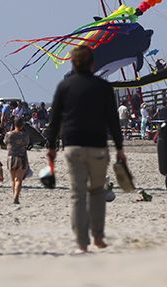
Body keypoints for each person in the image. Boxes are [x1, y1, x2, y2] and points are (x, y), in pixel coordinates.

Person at [45, 45, 125, 254]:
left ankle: (82, 242)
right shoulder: (103, 87)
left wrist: (51, 146)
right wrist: (119, 147)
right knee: (97, 192)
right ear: (92, 64)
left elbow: (54, 119)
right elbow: (113, 120)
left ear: (73, 63)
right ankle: (97, 237)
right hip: (98, 146)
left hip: (73, 146)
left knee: (78, 194)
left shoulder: (65, 86)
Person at [3, 116, 34, 205]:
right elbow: (27, 143)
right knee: (19, 179)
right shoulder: (25, 135)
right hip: (21, 157)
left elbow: (5, 142)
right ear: (22, 125)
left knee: (13, 179)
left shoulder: (8, 134)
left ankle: (14, 195)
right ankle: (16, 197)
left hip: (11, 157)